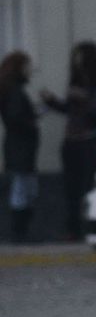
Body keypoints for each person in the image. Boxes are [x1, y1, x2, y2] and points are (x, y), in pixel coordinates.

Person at [40, 41, 96, 240]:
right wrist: (51, 101)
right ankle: (73, 229)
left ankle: (90, 226)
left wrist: (83, 97)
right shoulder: (75, 81)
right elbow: (69, 110)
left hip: (90, 140)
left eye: (80, 57)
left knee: (89, 186)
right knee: (71, 188)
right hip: (72, 141)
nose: (77, 61)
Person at [0, 50, 41, 242]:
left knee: (23, 188)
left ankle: (20, 230)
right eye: (26, 66)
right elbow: (16, 117)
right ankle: (20, 232)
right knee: (23, 189)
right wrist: (31, 120)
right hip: (21, 146)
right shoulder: (15, 90)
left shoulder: (10, 89)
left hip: (18, 146)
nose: (29, 70)